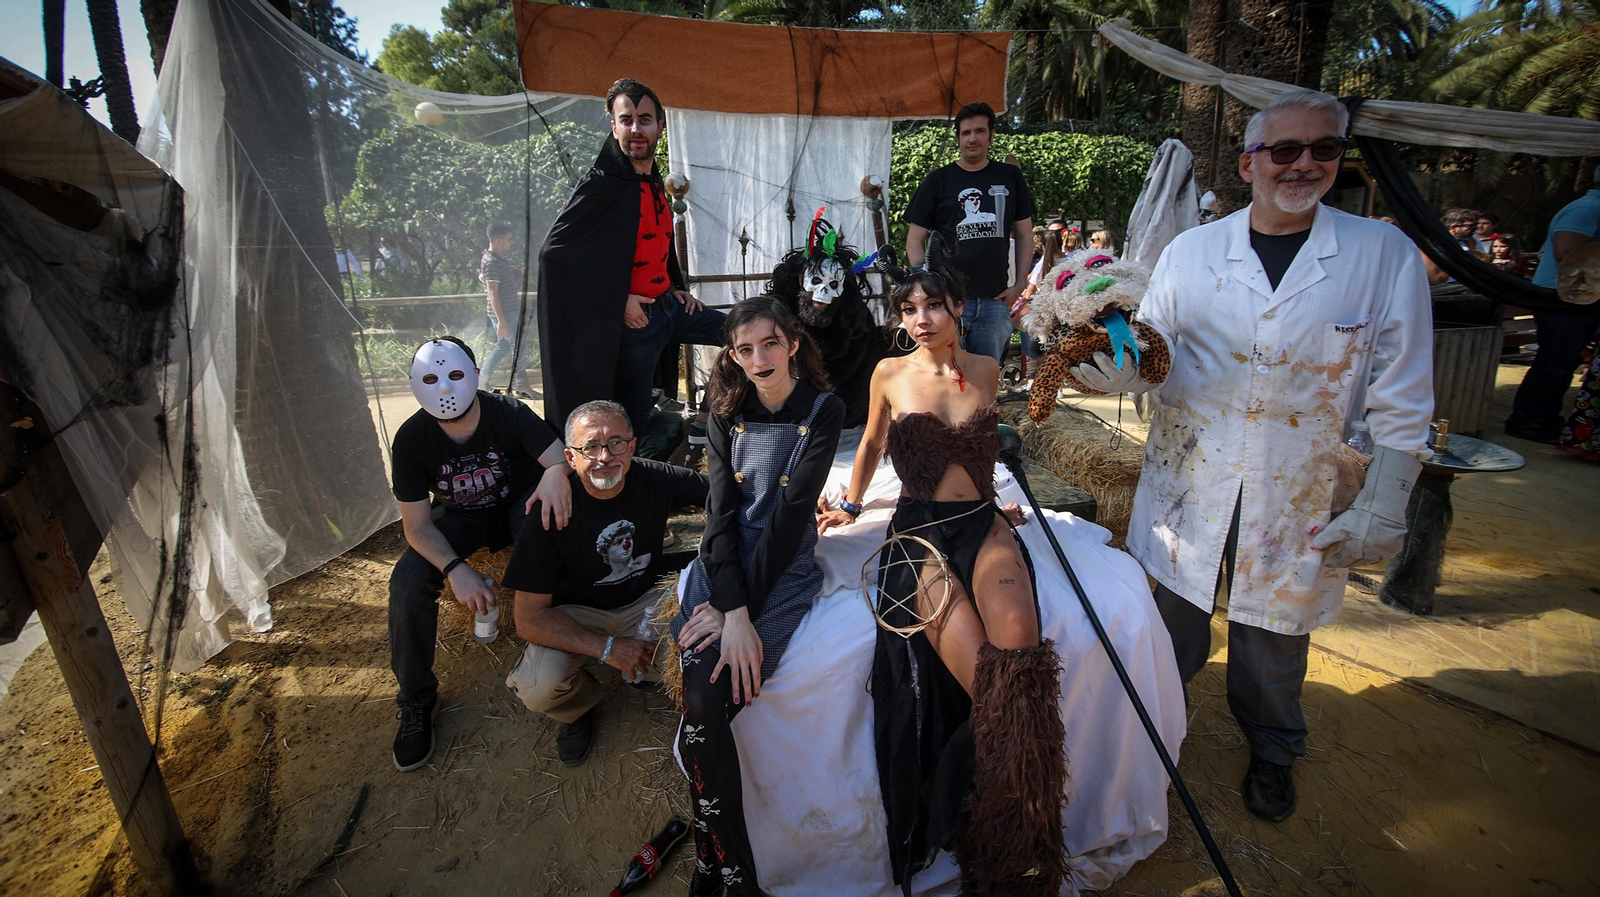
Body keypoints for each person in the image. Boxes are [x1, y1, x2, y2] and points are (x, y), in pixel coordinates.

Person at [1086, 89, 1434, 823]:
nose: (1303, 164)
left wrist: (1387, 495)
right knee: (1171, 619)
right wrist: (1103, 364)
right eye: (1284, 150)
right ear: (1249, 163)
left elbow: (1403, 390)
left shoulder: (1382, 255)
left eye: (1324, 149)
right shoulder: (1192, 252)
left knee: (1274, 632)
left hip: (1298, 482)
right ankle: (1151, 728)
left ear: (1340, 157)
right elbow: (1150, 350)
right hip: (1191, 472)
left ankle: (1274, 746)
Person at [816, 254, 1065, 896]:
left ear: (958, 307)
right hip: (919, 534)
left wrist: (998, 505)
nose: (921, 319)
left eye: (933, 305)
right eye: (908, 309)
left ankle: (1026, 837)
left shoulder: (985, 369)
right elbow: (871, 444)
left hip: (984, 524)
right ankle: (988, 832)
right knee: (992, 682)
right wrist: (848, 501)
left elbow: (981, 450)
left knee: (1021, 649)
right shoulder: (888, 373)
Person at [669, 298, 845, 896]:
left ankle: (714, 860)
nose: (758, 359)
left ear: (792, 343)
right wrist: (726, 604)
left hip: (781, 564)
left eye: (769, 344)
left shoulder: (824, 408)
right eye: (743, 349)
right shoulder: (724, 410)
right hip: (723, 562)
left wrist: (740, 611)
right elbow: (718, 512)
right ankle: (731, 868)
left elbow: (791, 518)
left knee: (711, 699)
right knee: (698, 692)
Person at [387, 337, 575, 772]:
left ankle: (568, 672)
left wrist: (554, 474)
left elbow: (558, 460)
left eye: (454, 376)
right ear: (415, 384)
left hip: (517, 503)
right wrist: (455, 569)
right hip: (461, 517)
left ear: (474, 374)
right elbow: (416, 527)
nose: (445, 391)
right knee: (408, 581)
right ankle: (416, 701)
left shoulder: (507, 411)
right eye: (431, 379)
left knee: (551, 532)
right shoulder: (412, 439)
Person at [500, 400, 708, 765]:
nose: (604, 456)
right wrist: (608, 648)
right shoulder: (549, 510)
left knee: (700, 661)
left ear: (632, 445)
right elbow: (529, 619)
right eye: (590, 447)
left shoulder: (653, 477)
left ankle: (643, 668)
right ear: (570, 456)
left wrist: (796, 503)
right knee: (539, 688)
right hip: (577, 613)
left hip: (648, 600)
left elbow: (720, 493)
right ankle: (578, 708)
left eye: (616, 443)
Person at [537, 78, 726, 438]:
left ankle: (703, 423)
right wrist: (618, 300)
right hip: (635, 326)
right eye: (627, 120)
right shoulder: (600, 185)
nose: (636, 129)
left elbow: (654, 244)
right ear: (614, 127)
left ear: (660, 126)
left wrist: (674, 287)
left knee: (742, 336)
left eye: (645, 119)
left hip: (670, 309)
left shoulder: (654, 181)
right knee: (632, 426)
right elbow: (555, 256)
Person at [904, 102, 1035, 362]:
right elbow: (914, 239)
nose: (972, 138)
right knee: (945, 375)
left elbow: (1024, 234)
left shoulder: (1009, 177)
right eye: (966, 133)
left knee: (986, 381)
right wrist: (928, 289)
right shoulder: (938, 180)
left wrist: (1020, 283)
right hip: (948, 301)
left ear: (991, 134)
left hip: (995, 300)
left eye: (979, 131)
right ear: (958, 138)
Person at [1505, 166, 1600, 443]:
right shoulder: (1588, 209)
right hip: (1561, 297)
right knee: (1553, 363)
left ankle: (1548, 418)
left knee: (1566, 363)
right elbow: (1566, 249)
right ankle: (1525, 420)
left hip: (1582, 298)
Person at [766, 213, 887, 429]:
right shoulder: (777, 313)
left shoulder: (854, 317)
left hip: (841, 412)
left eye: (833, 284)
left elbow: (862, 371)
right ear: (801, 279)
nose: (823, 292)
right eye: (816, 281)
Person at [479, 222, 532, 397]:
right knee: (515, 346)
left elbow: (487, 280)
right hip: (505, 313)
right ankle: (520, 386)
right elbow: (493, 293)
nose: (512, 242)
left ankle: (482, 381)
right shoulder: (492, 261)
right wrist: (501, 320)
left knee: (505, 346)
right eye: (509, 239)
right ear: (498, 240)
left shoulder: (496, 259)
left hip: (508, 311)